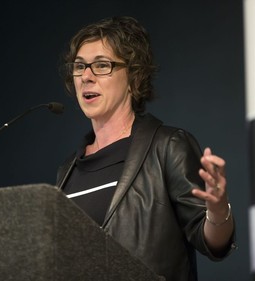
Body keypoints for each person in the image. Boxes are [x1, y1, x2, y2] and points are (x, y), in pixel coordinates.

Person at [56, 16, 236, 281]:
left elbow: (213, 244)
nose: (86, 76)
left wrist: (219, 211)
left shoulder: (168, 147)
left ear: (134, 76)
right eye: (80, 66)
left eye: (102, 65)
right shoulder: (67, 171)